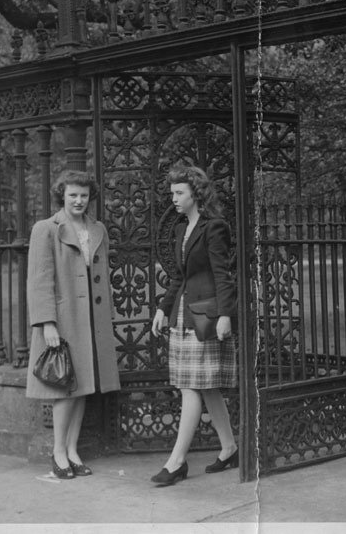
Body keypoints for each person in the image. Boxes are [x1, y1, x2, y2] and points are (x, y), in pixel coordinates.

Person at [26, 169, 121, 480]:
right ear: (62, 196)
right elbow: (40, 281)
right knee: (65, 387)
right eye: (72, 195)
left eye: (83, 195)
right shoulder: (46, 229)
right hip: (64, 319)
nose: (78, 201)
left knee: (83, 387)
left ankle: (72, 450)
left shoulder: (97, 229)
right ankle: (58, 452)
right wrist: (47, 324)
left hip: (92, 319)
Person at [149, 165, 238, 486]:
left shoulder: (215, 228)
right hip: (182, 315)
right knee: (205, 386)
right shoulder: (181, 229)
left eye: (179, 193)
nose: (173, 198)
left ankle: (176, 462)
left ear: (196, 194)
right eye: (172, 193)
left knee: (191, 386)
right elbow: (179, 276)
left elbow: (222, 274)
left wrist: (226, 315)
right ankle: (229, 448)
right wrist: (163, 309)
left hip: (205, 317)